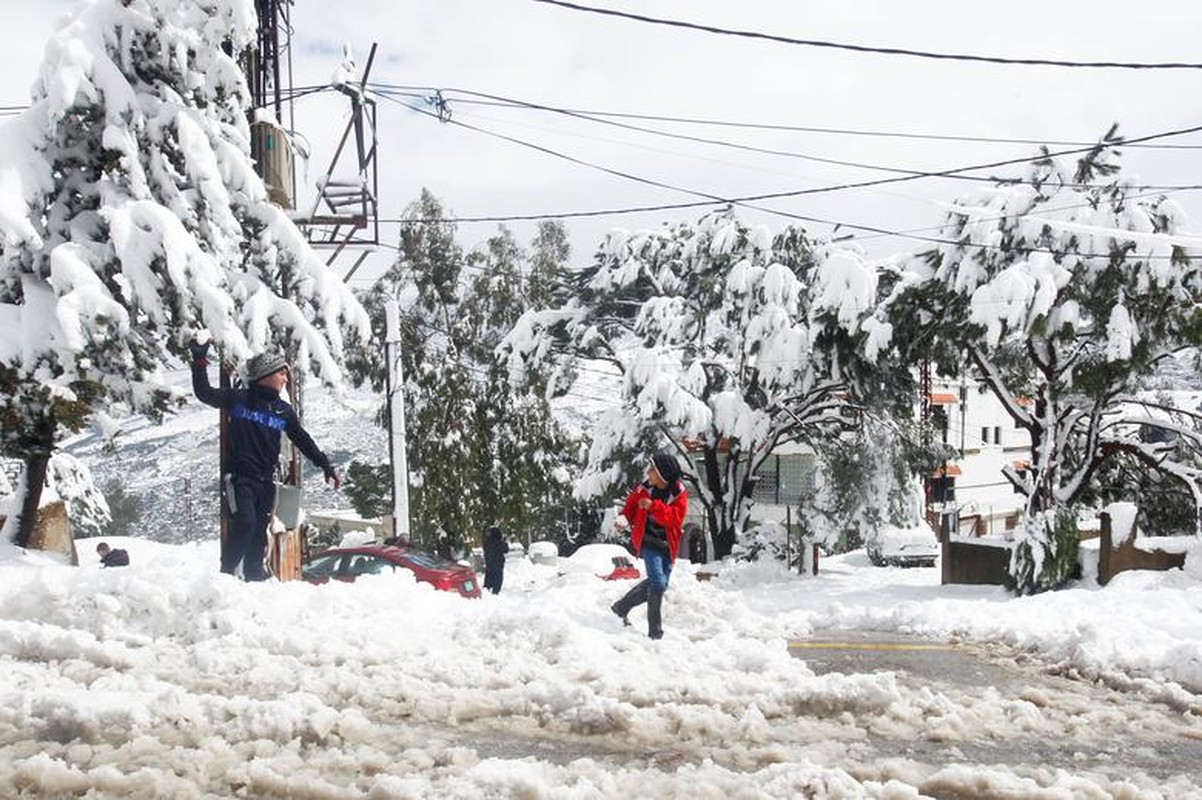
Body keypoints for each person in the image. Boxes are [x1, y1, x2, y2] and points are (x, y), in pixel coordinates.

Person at [190, 339, 340, 581]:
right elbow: (205, 393)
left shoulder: (283, 411)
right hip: (241, 478)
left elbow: (302, 440)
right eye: (281, 373)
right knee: (245, 523)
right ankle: (224, 577)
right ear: (265, 375)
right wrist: (198, 361)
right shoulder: (240, 400)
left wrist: (325, 465)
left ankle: (254, 579)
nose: (285, 379)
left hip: (266, 481)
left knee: (259, 532)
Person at [610, 452, 687, 639]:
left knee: (658, 585)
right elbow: (630, 508)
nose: (648, 473)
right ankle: (655, 633)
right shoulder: (643, 489)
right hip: (649, 544)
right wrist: (623, 518)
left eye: (652, 470)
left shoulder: (678, 493)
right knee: (658, 583)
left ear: (662, 474)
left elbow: (674, 520)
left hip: (668, 546)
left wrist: (653, 506)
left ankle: (620, 607)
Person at [482, 526, 509, 594]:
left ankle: (487, 590)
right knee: (498, 578)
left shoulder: (486, 542)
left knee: (489, 577)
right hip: (498, 564)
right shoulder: (499, 542)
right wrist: (504, 541)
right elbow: (506, 550)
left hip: (489, 564)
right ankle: (495, 592)